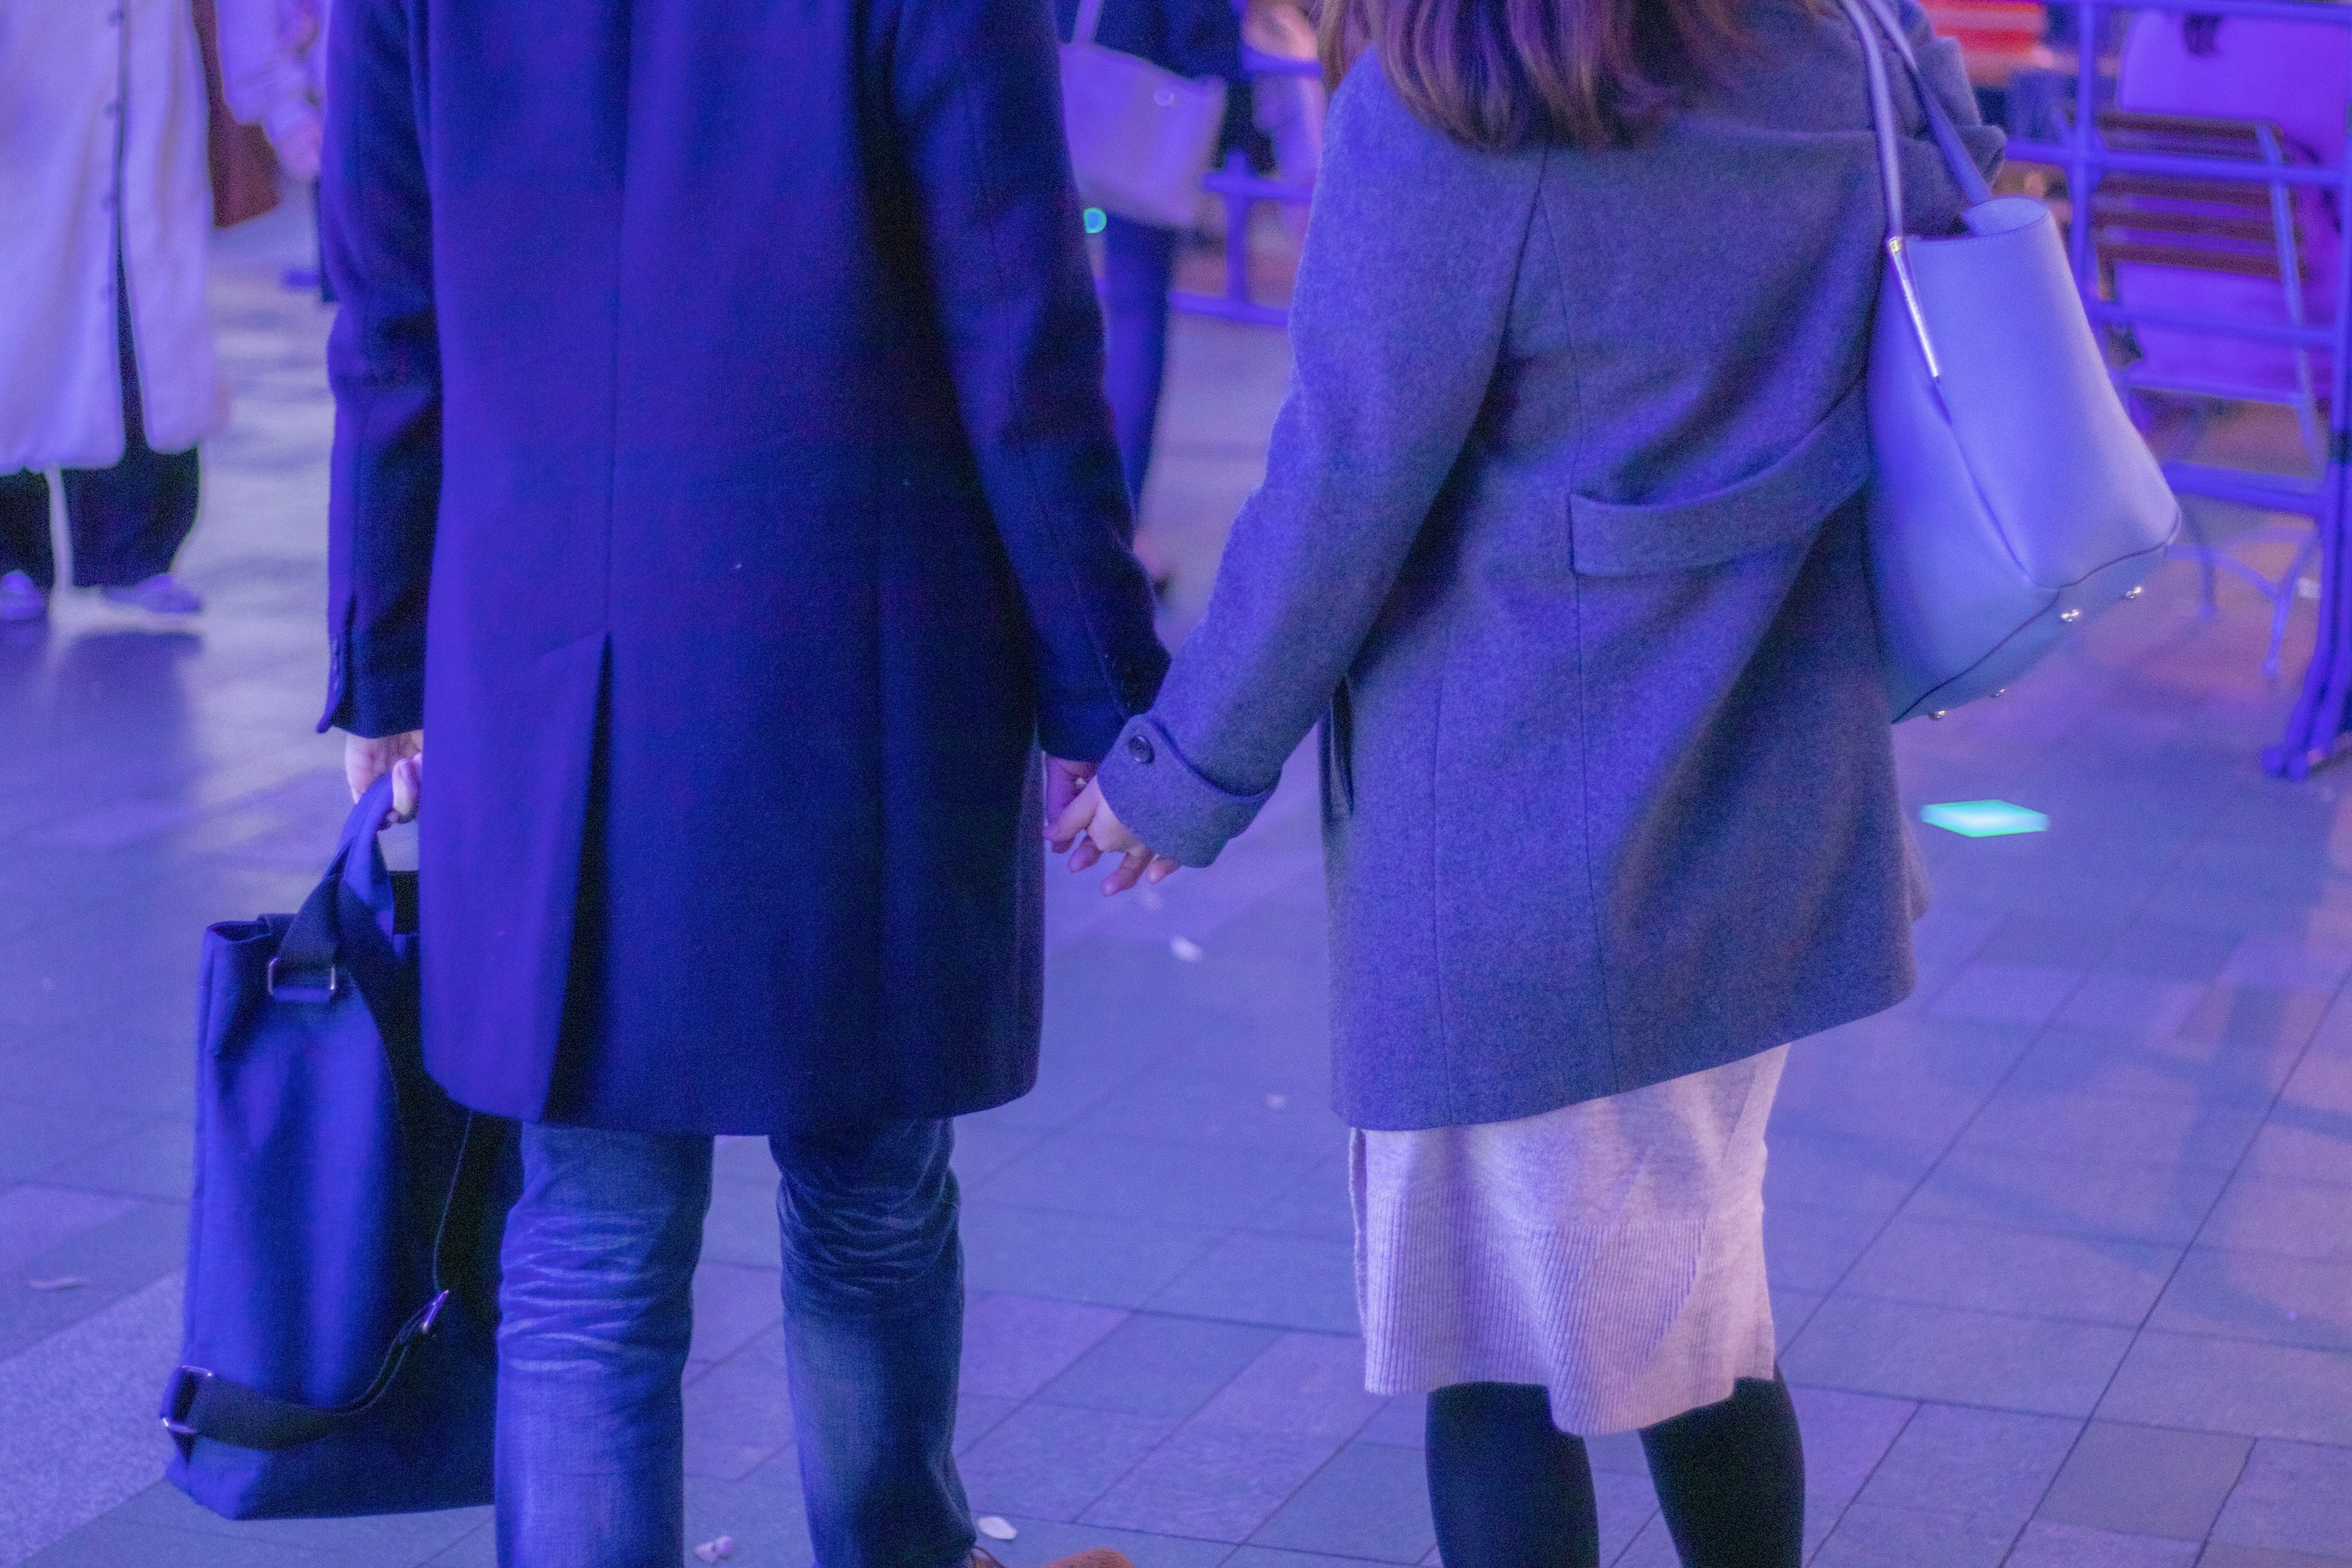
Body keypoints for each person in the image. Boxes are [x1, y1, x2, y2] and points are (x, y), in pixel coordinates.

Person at [1052, 0, 1997, 1558]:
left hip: (1511, 827)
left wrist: (1178, 771)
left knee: (1488, 1355)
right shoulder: (1838, 44)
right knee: (1700, 1308)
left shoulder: (1464, 101)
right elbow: (1957, 191)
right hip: (1765, 781)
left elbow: (1345, 477)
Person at [323, 0, 1167, 1562]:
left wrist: (381, 656)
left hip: (540, 660)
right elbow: (1018, 323)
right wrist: (1101, 684)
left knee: (588, 1230)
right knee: (865, 1182)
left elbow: (385, 317)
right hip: (858, 651)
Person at [0, 0, 223, 625]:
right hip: (29, 110)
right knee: (17, 338)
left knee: (136, 325)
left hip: (142, 83)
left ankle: (137, 550)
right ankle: (8, 553)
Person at [1057, 0, 1243, 509]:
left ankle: (1053, 508)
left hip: (1052, 95)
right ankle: (1120, 514)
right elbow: (1199, 26)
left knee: (1039, 303)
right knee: (1138, 315)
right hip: (1144, 99)